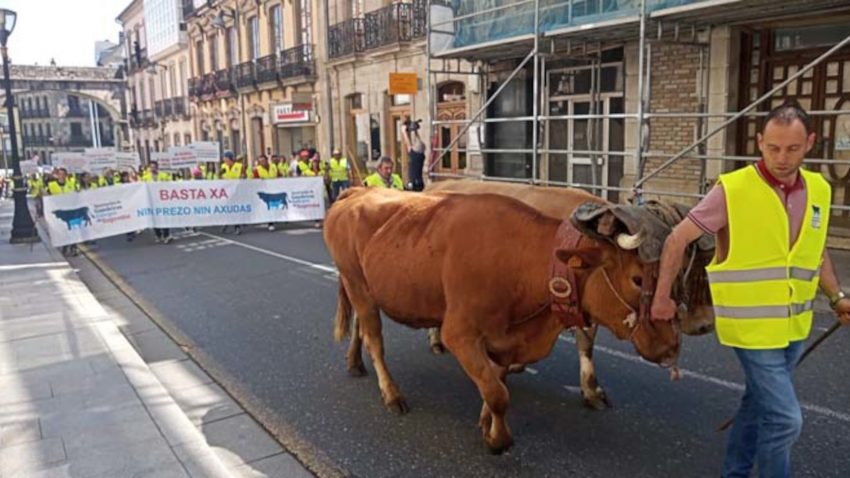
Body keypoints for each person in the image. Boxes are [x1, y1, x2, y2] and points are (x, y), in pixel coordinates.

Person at [651, 102, 850, 478]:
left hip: (794, 326)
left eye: (792, 148)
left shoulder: (820, 190)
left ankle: (735, 472)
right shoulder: (734, 189)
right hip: (751, 331)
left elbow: (816, 249)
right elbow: (677, 239)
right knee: (786, 419)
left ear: (810, 143)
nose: (781, 158)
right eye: (773, 148)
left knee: (759, 404)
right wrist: (662, 297)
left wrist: (836, 297)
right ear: (760, 142)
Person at [46, 168, 79, 256]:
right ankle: (64, 246)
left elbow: (76, 194)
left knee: (73, 229)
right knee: (63, 229)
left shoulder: (71, 184)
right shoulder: (52, 185)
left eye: (63, 174)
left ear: (66, 175)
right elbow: (47, 196)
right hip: (59, 211)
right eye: (60, 174)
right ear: (57, 175)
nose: (62, 176)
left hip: (70, 209)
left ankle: (73, 247)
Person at [141, 160, 173, 244]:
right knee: (155, 219)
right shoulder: (145, 177)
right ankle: (158, 235)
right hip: (152, 201)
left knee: (165, 218)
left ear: (157, 167)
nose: (153, 168)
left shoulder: (164, 175)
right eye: (151, 167)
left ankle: (166, 235)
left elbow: (170, 185)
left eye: (154, 167)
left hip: (162, 201)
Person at [219, 150, 242, 234]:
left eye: (226, 159)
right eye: (224, 160)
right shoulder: (223, 166)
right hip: (227, 191)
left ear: (231, 159)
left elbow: (243, 177)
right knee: (228, 208)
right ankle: (227, 222)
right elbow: (221, 177)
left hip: (237, 190)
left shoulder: (239, 166)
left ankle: (237, 227)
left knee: (235, 209)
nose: (225, 161)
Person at [401, 116, 426, 191]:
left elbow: (407, 143)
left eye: (414, 144)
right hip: (420, 182)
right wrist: (415, 131)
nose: (413, 144)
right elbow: (419, 141)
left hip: (414, 182)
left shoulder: (414, 154)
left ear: (415, 149)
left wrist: (403, 131)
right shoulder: (421, 155)